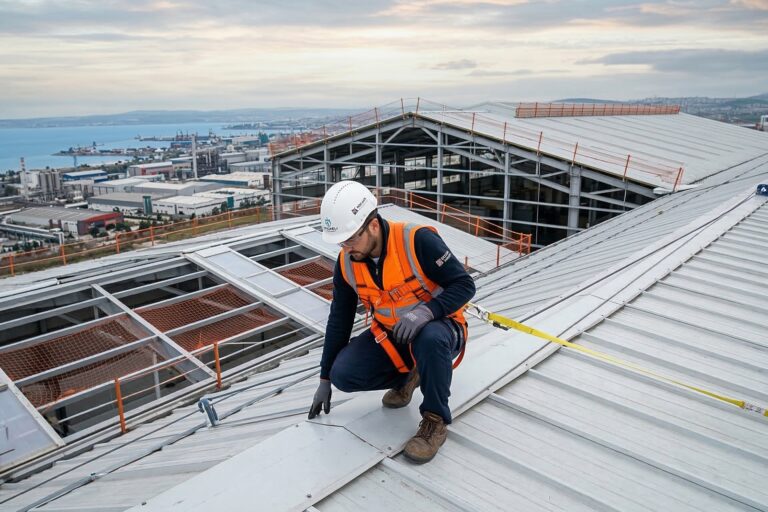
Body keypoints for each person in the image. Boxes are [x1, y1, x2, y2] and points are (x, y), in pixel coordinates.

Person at [307, 180, 476, 464]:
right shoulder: (347, 262)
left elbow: (464, 285)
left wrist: (427, 311)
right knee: (344, 374)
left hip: (441, 329)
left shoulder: (416, 239)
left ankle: (434, 420)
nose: (346, 248)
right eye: (341, 242)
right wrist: (325, 377)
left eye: (349, 239)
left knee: (430, 337)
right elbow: (340, 319)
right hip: (393, 336)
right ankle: (411, 375)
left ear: (372, 225)